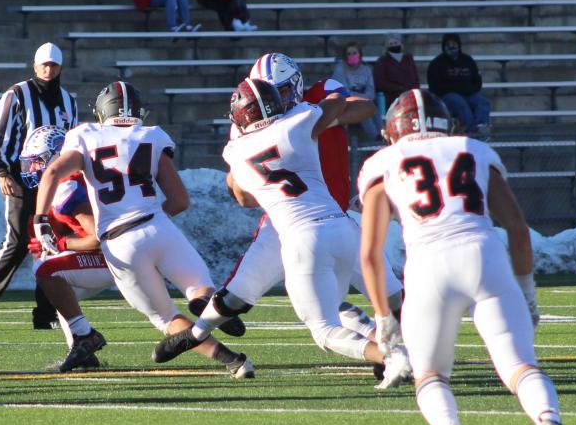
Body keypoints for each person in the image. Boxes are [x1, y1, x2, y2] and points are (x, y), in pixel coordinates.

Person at [358, 88, 576, 425]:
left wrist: (383, 316)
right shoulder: (472, 149)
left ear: (392, 132)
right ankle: (546, 417)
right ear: (447, 126)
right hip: (484, 257)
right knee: (520, 365)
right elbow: (519, 230)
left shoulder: (383, 162)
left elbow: (369, 253)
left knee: (431, 374)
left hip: (428, 266)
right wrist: (526, 291)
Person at [158, 77, 411, 386]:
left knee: (324, 330)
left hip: (301, 238)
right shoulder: (300, 121)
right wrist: (304, 109)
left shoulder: (236, 151)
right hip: (341, 227)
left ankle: (393, 356)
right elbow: (338, 104)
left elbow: (242, 196)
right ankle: (398, 350)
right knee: (352, 300)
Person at [34, 82, 254, 379]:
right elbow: (179, 200)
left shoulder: (85, 135)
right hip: (157, 227)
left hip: (118, 239)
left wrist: (40, 220)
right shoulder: (150, 135)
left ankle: (235, 362)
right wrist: (150, 218)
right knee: (200, 288)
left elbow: (52, 172)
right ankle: (205, 304)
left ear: (102, 111)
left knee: (164, 316)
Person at [0, 43, 80, 331]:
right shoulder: (17, 94)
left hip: (54, 183)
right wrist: (1, 171)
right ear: (34, 65)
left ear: (60, 68)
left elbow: (73, 143)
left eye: (53, 65)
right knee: (17, 243)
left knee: (50, 244)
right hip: (20, 178)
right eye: (44, 64)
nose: (48, 69)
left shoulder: (69, 101)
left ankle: (45, 314)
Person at [17, 126, 113, 372]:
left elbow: (98, 238)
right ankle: (81, 351)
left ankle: (85, 337)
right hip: (116, 254)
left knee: (48, 269)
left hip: (117, 257)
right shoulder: (68, 184)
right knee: (57, 280)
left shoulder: (67, 187)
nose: (33, 169)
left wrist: (59, 244)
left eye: (38, 162)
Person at [426, 33, 491, 140]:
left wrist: (469, 89)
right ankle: (470, 133)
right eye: (448, 44)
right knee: (460, 103)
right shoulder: (436, 63)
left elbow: (477, 82)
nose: (451, 46)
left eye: (454, 43)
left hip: (468, 94)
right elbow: (434, 86)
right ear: (444, 46)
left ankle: (481, 130)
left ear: (459, 45)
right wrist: (453, 88)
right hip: (447, 95)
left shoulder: (468, 60)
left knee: (482, 102)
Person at [330, 42, 380, 145]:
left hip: (364, 100)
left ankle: (382, 134)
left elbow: (371, 92)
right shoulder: (340, 69)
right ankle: (375, 139)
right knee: (364, 110)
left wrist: (364, 98)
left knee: (373, 108)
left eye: (354, 53)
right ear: (345, 56)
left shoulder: (366, 69)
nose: (352, 56)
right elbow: (343, 91)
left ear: (360, 54)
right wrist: (362, 98)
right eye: (349, 54)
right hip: (344, 102)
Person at [372, 32, 420, 107]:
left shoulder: (409, 59)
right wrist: (399, 88)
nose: (394, 45)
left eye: (396, 42)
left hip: (410, 96)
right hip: (392, 98)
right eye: (391, 44)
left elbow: (415, 78)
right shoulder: (382, 61)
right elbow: (379, 82)